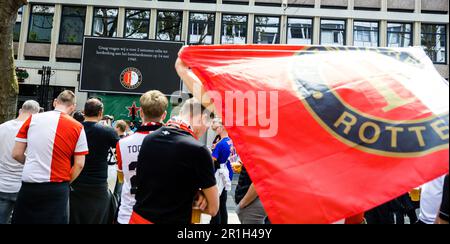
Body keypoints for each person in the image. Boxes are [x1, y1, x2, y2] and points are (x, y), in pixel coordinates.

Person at [131, 98, 219, 224]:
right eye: (207, 124)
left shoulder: (149, 139)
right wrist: (197, 194)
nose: (206, 129)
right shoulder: (199, 149)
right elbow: (213, 208)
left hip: (138, 218)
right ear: (203, 118)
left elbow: (153, 182)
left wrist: (192, 192)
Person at [11, 90, 88, 224]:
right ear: (73, 107)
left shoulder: (32, 119)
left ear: (54, 102)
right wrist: (66, 182)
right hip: (57, 187)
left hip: (30, 185)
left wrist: (30, 162)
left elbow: (16, 154)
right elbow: (80, 164)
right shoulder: (78, 127)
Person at [116, 90, 168, 224]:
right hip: (160, 213)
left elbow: (122, 177)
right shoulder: (175, 143)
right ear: (164, 115)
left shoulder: (122, 143)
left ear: (141, 113)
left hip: (129, 213)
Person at [70, 98, 120, 224]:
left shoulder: (74, 129)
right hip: (98, 185)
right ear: (100, 113)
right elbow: (121, 152)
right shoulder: (108, 131)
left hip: (75, 182)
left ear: (84, 111)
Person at [0, 100, 40, 224]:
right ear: (36, 115)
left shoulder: (2, 127)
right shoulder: (34, 131)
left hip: (2, 184)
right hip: (24, 186)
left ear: (20, 110)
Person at [209, 118, 236, 224]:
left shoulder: (220, 144)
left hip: (220, 175)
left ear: (221, 127)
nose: (215, 130)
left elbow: (212, 160)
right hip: (227, 173)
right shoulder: (230, 141)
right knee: (222, 203)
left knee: (216, 203)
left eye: (216, 128)